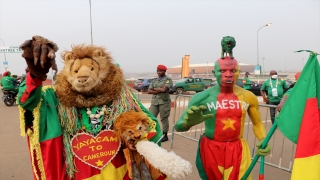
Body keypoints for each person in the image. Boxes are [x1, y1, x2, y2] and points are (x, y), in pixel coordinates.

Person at [175, 55, 270, 180]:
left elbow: (257, 124)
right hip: (211, 149)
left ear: (238, 73)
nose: (228, 74)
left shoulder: (248, 96)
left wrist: (263, 139)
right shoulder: (202, 97)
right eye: (222, 71)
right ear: (214, 73)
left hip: (238, 149)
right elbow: (178, 126)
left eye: (233, 71)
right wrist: (187, 124)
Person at [148, 64, 173, 142]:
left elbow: (164, 90)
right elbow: (149, 91)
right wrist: (159, 89)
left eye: (161, 71)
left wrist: (154, 89)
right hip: (155, 102)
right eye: (158, 71)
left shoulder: (168, 80)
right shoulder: (154, 80)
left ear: (164, 71)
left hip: (164, 102)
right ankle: (152, 133)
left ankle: (165, 135)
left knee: (164, 118)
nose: (159, 72)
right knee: (151, 117)